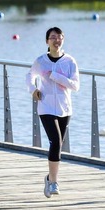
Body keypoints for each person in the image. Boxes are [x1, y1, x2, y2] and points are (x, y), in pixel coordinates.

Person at [25, 26, 80, 198]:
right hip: (46, 106)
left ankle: (49, 177)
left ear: (63, 39)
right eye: (52, 37)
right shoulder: (41, 61)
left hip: (65, 108)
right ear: (47, 41)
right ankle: (54, 183)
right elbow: (29, 76)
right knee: (55, 141)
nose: (56, 40)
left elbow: (75, 86)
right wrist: (33, 90)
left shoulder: (70, 61)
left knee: (58, 144)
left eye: (59, 37)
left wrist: (57, 76)